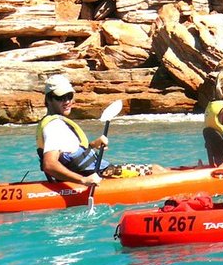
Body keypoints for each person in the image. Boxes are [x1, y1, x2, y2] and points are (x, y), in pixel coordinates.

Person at [36, 74, 164, 184]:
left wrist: (92, 145)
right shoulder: (53, 127)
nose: (67, 101)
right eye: (60, 97)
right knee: (157, 170)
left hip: (101, 172)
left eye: (69, 96)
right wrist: (83, 181)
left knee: (157, 169)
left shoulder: (56, 122)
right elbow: (49, 164)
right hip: (101, 175)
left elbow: (70, 154)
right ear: (48, 99)